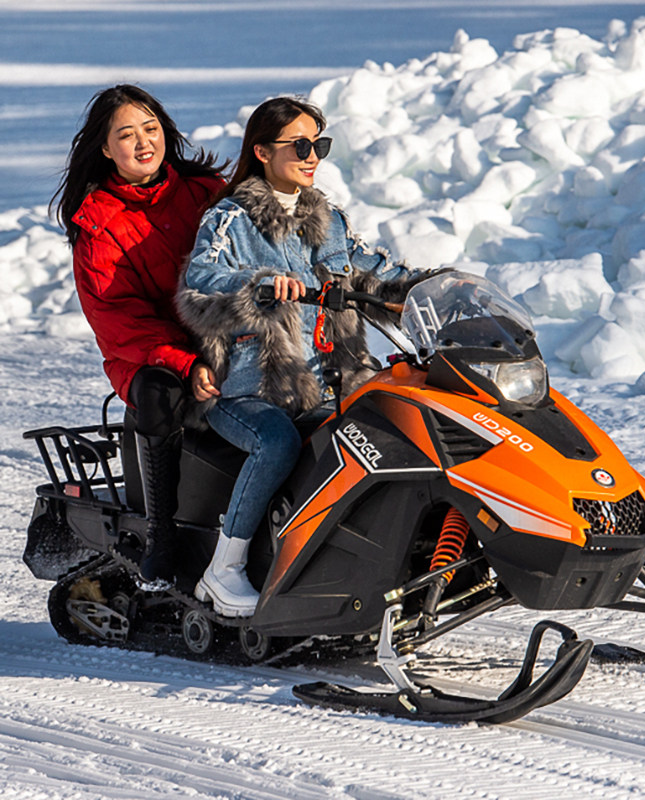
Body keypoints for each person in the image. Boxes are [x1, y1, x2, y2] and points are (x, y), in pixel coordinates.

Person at [178, 96, 431, 617]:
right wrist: (260, 284)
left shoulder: (327, 217)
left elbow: (371, 271)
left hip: (326, 385)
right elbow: (199, 283)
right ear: (263, 151)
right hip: (247, 389)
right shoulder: (230, 218)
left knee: (391, 432)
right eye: (300, 145)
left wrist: (431, 289)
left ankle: (368, 566)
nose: (313, 155)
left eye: (320, 144)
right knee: (275, 443)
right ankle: (223, 569)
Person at [51, 84, 226, 586]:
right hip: (147, 356)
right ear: (105, 149)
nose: (143, 142)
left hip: (219, 336)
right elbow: (119, 319)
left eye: (150, 129)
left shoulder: (205, 191)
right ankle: (163, 535)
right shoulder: (98, 223)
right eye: (127, 135)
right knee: (160, 392)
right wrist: (185, 362)